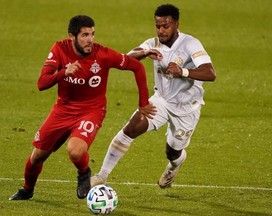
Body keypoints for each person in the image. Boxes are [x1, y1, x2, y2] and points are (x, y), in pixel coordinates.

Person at [9, 15, 156, 201]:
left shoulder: (102, 54)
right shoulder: (59, 49)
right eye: (85, 35)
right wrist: (63, 73)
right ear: (72, 36)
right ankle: (27, 190)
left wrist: (143, 102)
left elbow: (137, 67)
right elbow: (41, 83)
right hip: (62, 109)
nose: (90, 40)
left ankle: (84, 173)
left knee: (75, 150)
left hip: (91, 110)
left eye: (92, 34)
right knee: (37, 157)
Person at [91, 4, 216, 189]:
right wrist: (144, 52)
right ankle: (101, 176)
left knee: (172, 152)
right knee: (131, 128)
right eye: (158, 26)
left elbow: (210, 73)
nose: (161, 31)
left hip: (187, 108)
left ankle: (174, 165)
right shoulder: (153, 43)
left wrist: (183, 71)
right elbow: (127, 57)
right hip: (162, 101)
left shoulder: (190, 43)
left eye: (166, 26)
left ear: (176, 24)